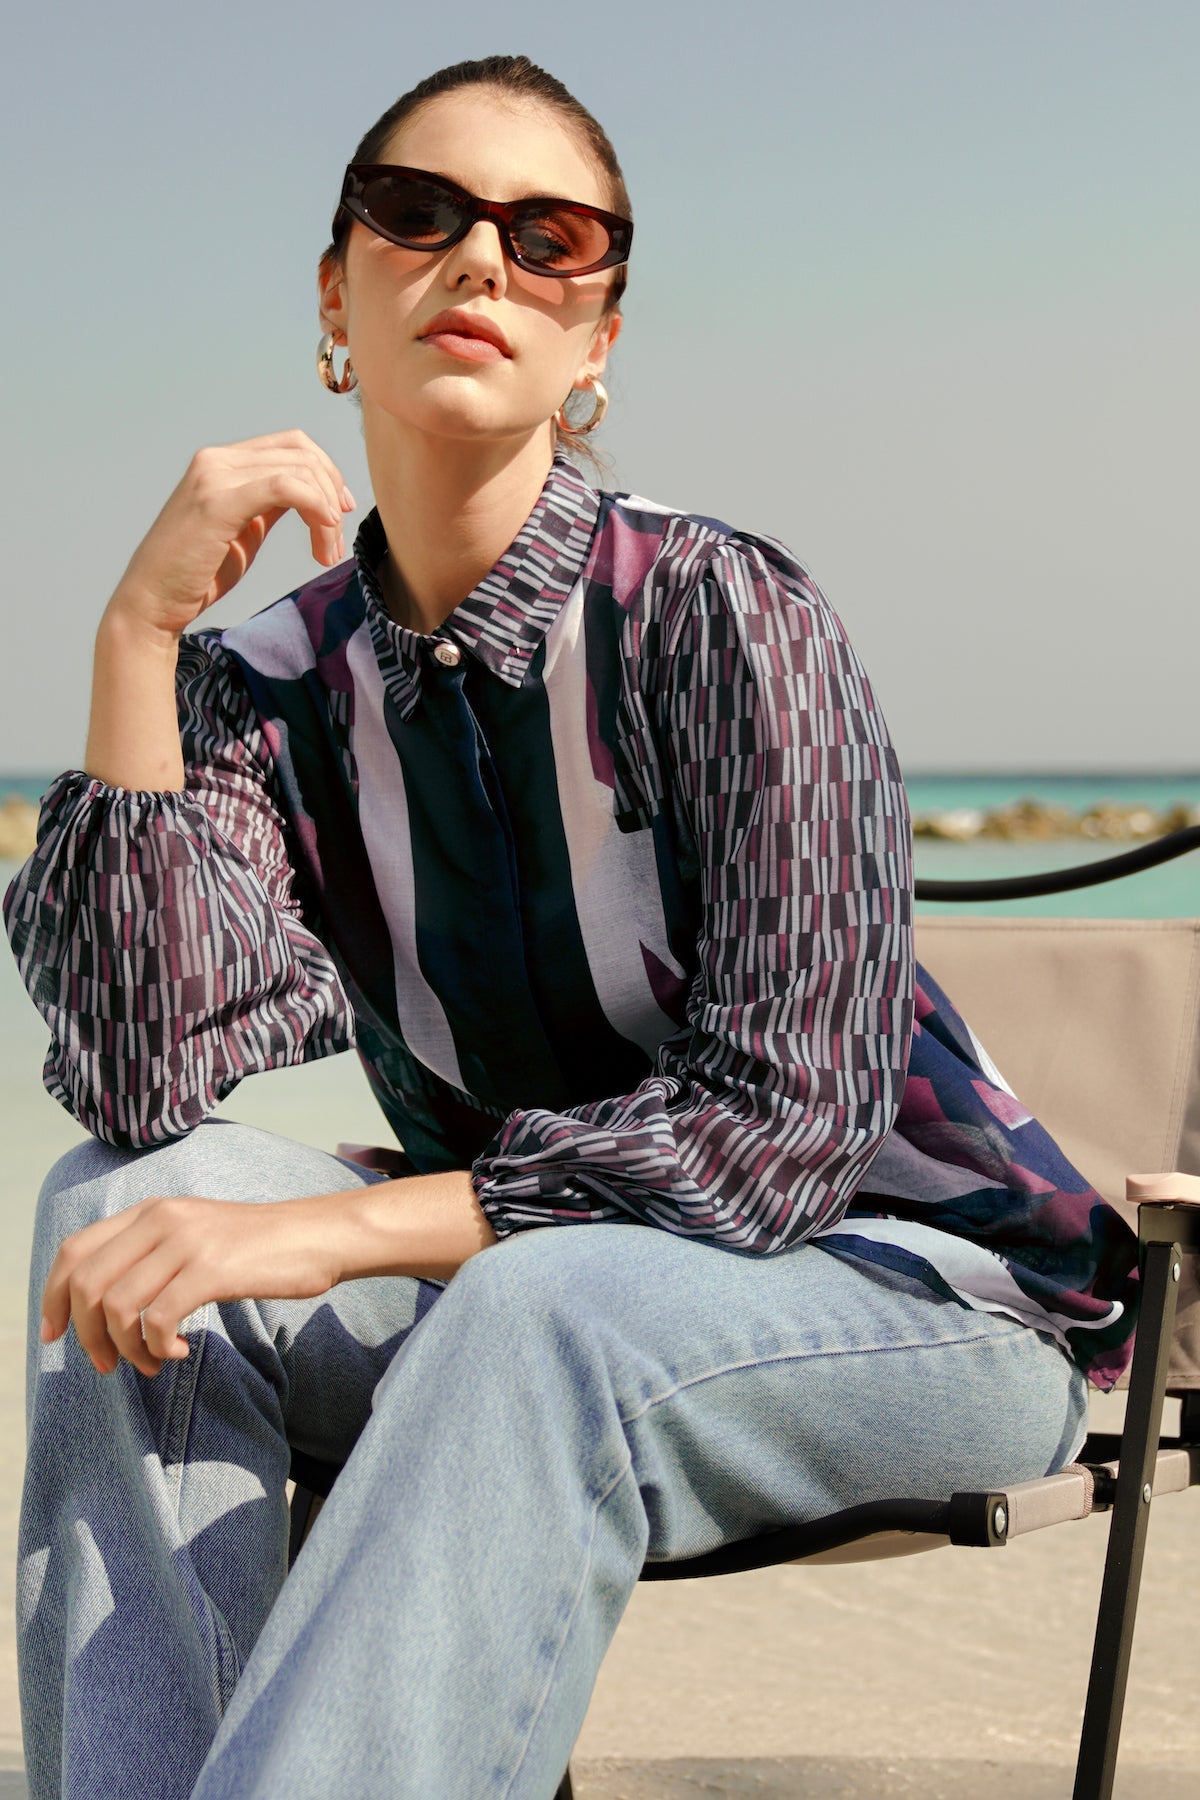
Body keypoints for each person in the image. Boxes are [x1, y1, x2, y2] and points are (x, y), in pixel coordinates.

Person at [7, 53, 1139, 1800]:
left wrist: (340, 1230)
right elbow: (142, 1078)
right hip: (516, 1298)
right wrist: (136, 641)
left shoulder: (718, 616)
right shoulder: (270, 688)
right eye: (417, 213)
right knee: (115, 1205)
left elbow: (782, 1134)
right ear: (336, 296)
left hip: (914, 1295)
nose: (481, 259)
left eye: (550, 238)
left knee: (535, 1307)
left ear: (598, 333)